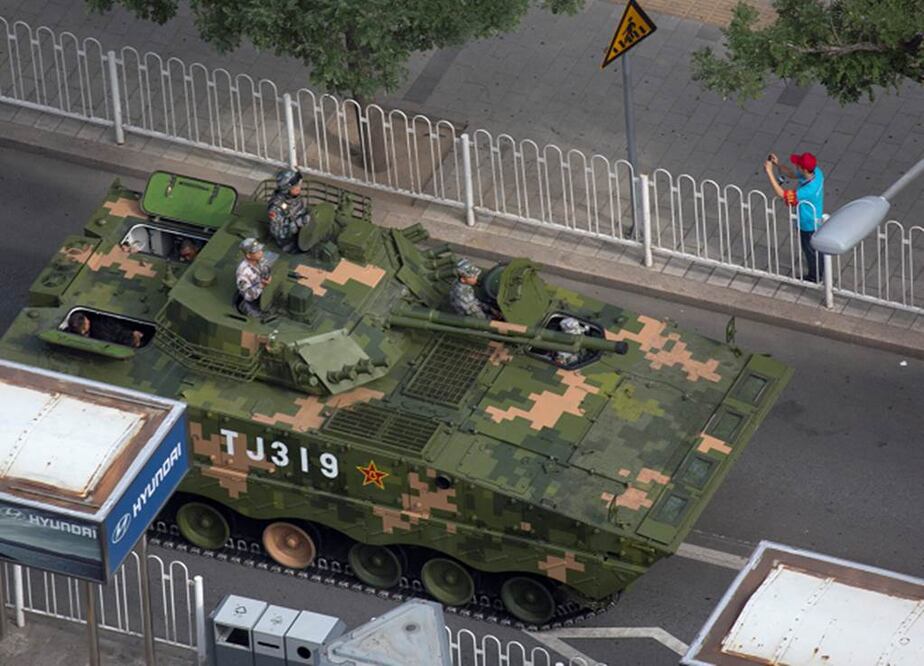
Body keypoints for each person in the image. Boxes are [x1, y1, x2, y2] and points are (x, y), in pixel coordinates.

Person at [765, 151, 825, 282]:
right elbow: (792, 174)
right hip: (816, 218)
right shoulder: (817, 173)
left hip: (807, 224)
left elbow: (782, 194)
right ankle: (822, 268)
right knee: (816, 248)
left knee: (810, 250)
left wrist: (769, 172)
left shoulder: (808, 190)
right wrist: (777, 165)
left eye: (798, 165)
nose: (796, 166)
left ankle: (815, 276)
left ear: (804, 169)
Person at [267, 168, 311, 252]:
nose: (299, 187)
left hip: (303, 231)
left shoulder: (293, 197)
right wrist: (299, 223)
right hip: (289, 242)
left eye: (299, 184)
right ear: (286, 188)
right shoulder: (276, 208)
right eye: (296, 186)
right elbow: (278, 232)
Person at [236, 238, 272, 317]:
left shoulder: (259, 260)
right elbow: (248, 295)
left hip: (263, 293)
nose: (261, 252)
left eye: (260, 250)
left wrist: (268, 277)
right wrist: (262, 285)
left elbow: (266, 268)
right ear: (248, 255)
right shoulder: (243, 273)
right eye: (257, 251)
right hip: (251, 302)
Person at [67, 311, 144, 348]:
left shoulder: (101, 325)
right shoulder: (102, 330)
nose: (88, 321)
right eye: (86, 322)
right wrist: (134, 337)